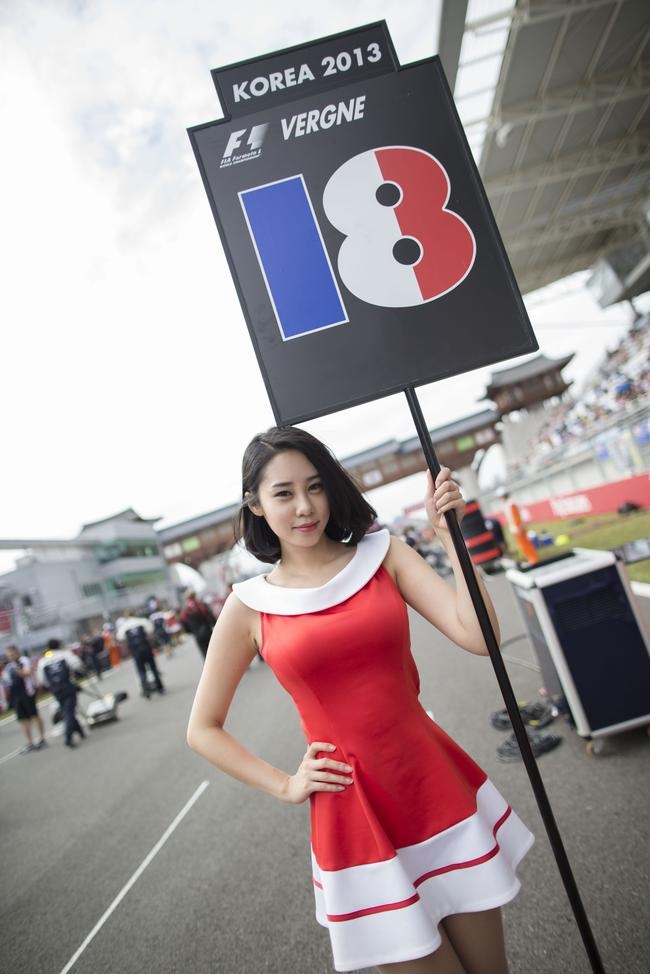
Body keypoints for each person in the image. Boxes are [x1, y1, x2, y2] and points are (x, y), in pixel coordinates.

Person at [187, 427, 533, 974]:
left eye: (316, 486)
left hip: (432, 785)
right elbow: (202, 727)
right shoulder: (248, 606)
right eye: (283, 493)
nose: (305, 507)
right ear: (255, 505)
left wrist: (450, 540)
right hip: (354, 816)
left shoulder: (383, 554)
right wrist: (286, 784)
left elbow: (478, 636)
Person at [37, 639, 85, 749]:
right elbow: (77, 664)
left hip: (55, 689)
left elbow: (41, 679)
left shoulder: (43, 660)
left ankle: (80, 731)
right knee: (69, 711)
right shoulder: (64, 654)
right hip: (67, 686)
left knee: (67, 709)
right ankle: (68, 737)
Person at [2, 645, 47, 752]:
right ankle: (30, 742)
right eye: (9, 656)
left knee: (34, 715)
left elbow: (26, 673)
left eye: (12, 655)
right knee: (23, 719)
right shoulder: (9, 666)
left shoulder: (23, 661)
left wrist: (16, 669)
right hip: (16, 695)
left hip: (27, 693)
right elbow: (7, 681)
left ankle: (42, 738)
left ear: (16, 653)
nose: (11, 657)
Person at [122, 614, 165, 698]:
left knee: (141, 671)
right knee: (153, 668)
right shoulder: (142, 621)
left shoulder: (124, 626)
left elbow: (121, 638)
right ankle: (160, 687)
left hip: (136, 652)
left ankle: (146, 690)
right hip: (146, 648)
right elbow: (150, 631)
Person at [179, 591, 215, 658]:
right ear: (194, 596)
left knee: (205, 654)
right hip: (208, 632)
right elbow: (211, 617)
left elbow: (183, 624)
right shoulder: (201, 605)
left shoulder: (185, 610)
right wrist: (212, 625)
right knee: (214, 651)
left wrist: (191, 631)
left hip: (197, 634)